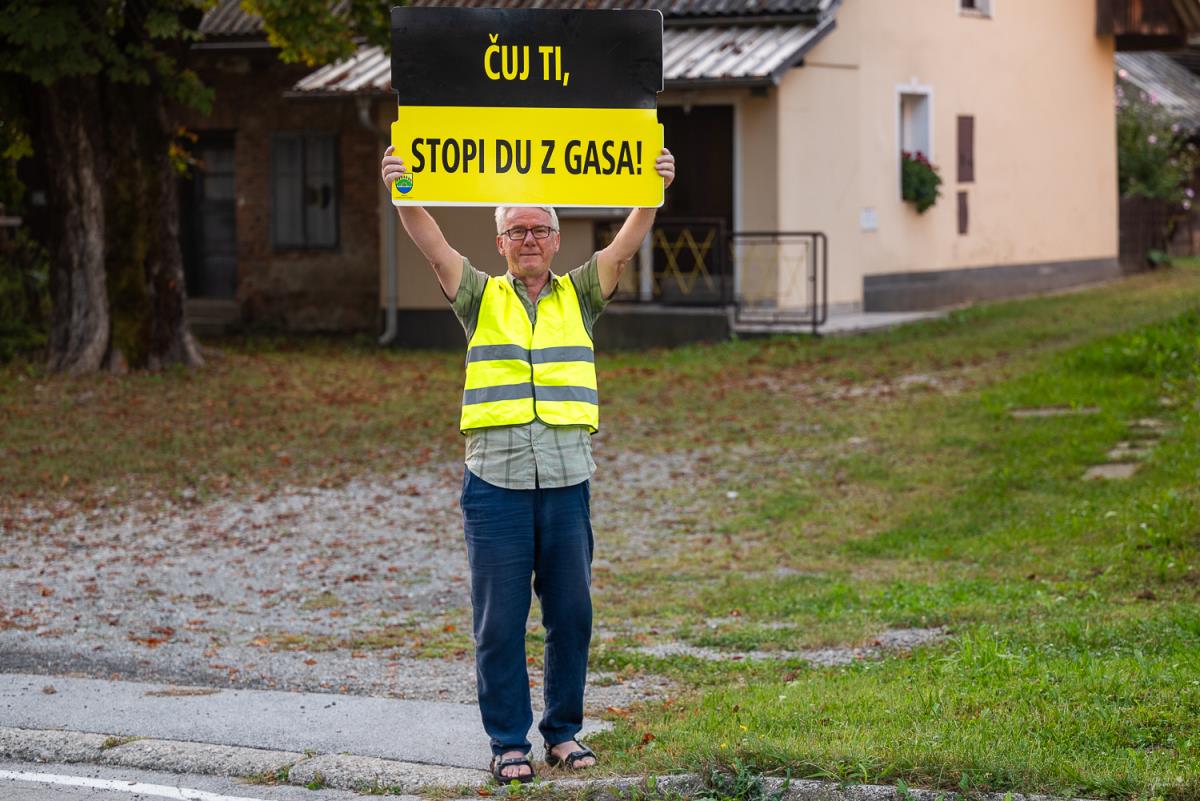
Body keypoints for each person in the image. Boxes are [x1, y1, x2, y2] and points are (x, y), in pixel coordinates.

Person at [379, 144, 675, 783]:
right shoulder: (478, 296)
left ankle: (563, 734)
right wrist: (403, 190)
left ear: (557, 239)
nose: (530, 239)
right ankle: (508, 742)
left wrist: (652, 191)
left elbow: (625, 247)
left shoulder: (582, 295)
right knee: (499, 623)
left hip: (567, 482)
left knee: (571, 616)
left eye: (540, 229)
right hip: (495, 483)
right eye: (517, 230)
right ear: (500, 242)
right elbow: (432, 246)